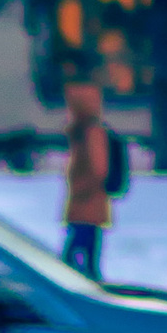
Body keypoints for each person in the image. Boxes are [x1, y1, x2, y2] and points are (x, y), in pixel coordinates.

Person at [62, 80, 114, 279]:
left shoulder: (91, 132)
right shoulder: (82, 130)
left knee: (74, 253)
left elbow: (98, 168)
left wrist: (82, 189)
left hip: (87, 202)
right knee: (84, 251)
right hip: (84, 203)